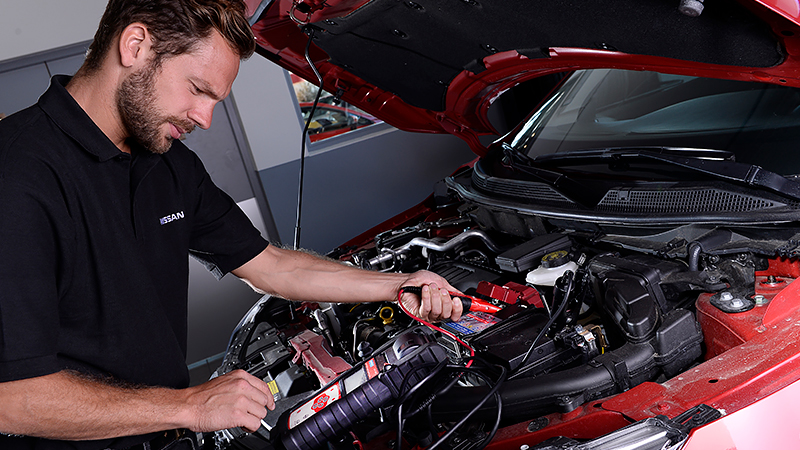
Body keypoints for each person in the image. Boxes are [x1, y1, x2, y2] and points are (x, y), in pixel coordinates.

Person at [0, 1, 462, 449]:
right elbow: (12, 400)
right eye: (198, 89)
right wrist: (187, 407)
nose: (204, 118)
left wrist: (398, 284)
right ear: (135, 45)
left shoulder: (170, 165)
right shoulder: (17, 174)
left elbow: (272, 265)